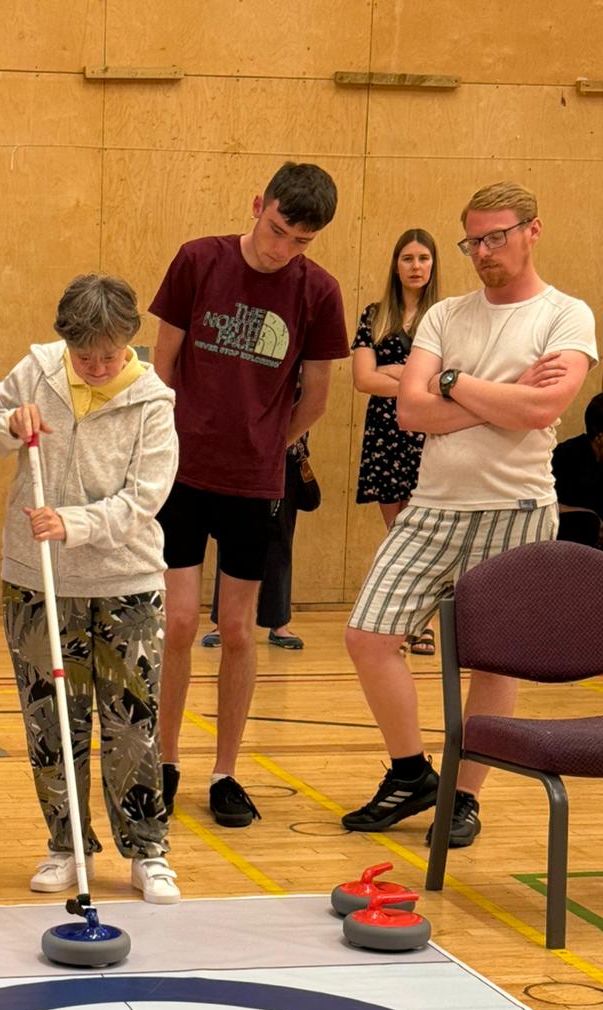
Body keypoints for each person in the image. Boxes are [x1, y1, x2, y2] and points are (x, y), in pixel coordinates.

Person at [343, 182, 597, 848]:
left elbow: (543, 412)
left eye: (497, 237)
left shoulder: (567, 315)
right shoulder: (445, 315)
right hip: (432, 506)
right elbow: (409, 411)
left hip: (516, 507)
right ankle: (411, 773)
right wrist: (502, 394)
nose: (484, 252)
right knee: (369, 637)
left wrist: (454, 383)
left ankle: (462, 798)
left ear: (532, 231)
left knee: (494, 663)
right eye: (473, 241)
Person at [0, 274, 181, 903]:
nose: (95, 367)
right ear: (65, 343)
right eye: (84, 356)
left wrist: (76, 525)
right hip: (37, 580)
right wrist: (9, 422)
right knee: (54, 721)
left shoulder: (152, 401)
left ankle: (148, 851)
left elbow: (145, 498)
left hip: (127, 583)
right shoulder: (36, 372)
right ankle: (66, 844)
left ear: (130, 344)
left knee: (132, 721)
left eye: (109, 356)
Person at [150, 162, 349, 827]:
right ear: (258, 204)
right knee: (177, 623)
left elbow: (316, 397)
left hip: (254, 484)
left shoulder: (318, 293)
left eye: (300, 241)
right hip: (180, 472)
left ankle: (226, 771)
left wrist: (266, 444)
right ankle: (166, 760)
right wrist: (178, 437)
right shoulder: (197, 261)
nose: (281, 248)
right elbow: (163, 363)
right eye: (278, 229)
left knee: (235, 628)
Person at [352, 228, 441, 654]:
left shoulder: (446, 316)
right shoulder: (374, 314)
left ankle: (421, 625)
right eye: (408, 258)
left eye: (423, 258)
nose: (416, 266)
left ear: (433, 264)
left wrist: (393, 371)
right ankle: (401, 624)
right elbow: (363, 379)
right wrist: (412, 377)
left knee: (425, 532)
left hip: (430, 432)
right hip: (386, 433)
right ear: (396, 264)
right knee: (398, 533)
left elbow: (443, 383)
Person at [199, 431, 319, 651]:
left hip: (284, 457)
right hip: (238, 457)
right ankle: (221, 622)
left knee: (281, 539)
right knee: (230, 538)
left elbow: (310, 406)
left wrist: (279, 442)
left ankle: (279, 622)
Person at [552, 391, 603, 545]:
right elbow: (545, 505)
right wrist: (590, 516)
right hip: (572, 544)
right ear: (600, 437)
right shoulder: (564, 456)